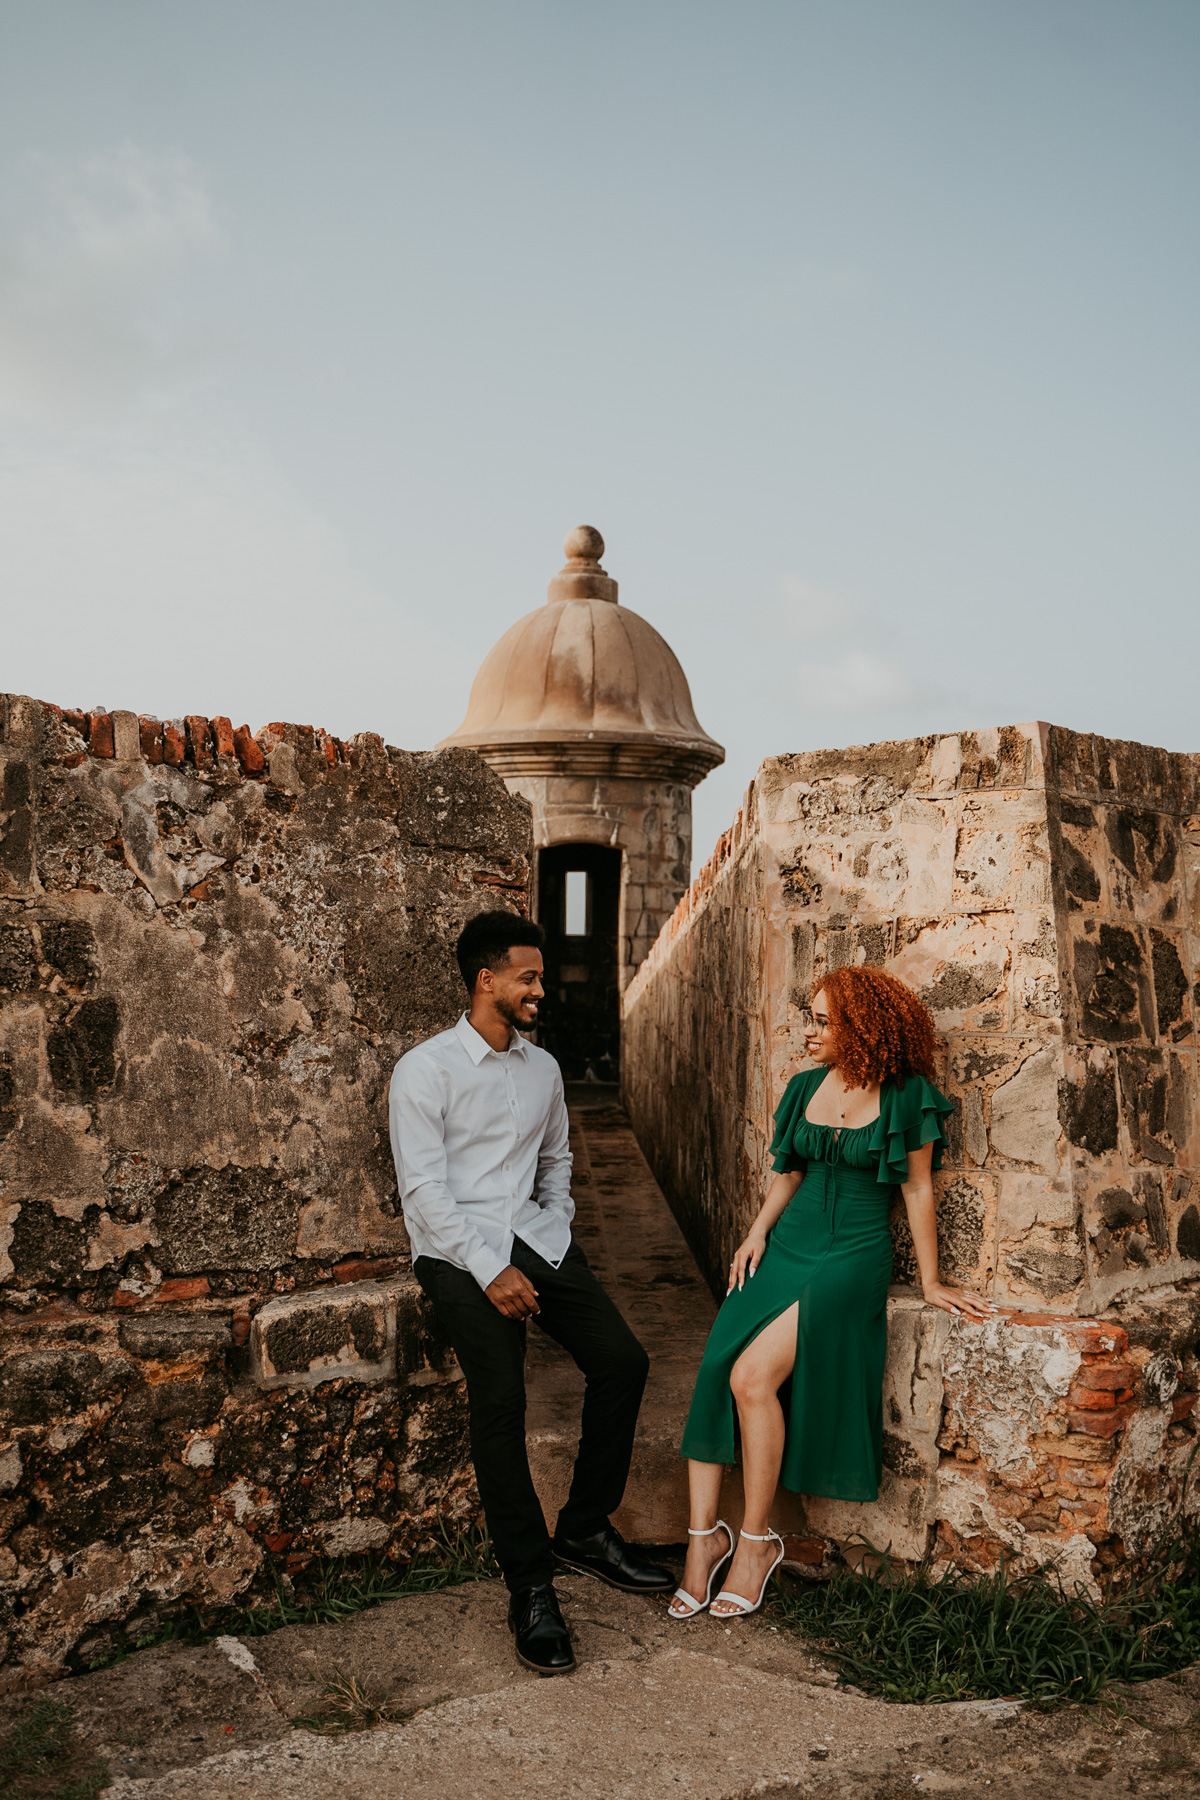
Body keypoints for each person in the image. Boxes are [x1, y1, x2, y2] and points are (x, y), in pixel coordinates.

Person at [389, 910, 673, 1676]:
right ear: (487, 981)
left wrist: (553, 1231)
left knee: (623, 1362)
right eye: (529, 977)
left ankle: (583, 1529)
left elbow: (556, 1164)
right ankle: (531, 1585)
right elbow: (424, 1194)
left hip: (535, 1239)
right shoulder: (425, 1070)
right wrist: (490, 1270)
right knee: (502, 1407)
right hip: (455, 1252)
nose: (541, 990)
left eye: (539, 978)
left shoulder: (542, 1070)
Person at [670, 967, 997, 1622]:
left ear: (863, 1027)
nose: (810, 1030)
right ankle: (703, 1540)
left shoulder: (909, 1096)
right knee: (714, 1372)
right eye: (810, 1017)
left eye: (823, 1020)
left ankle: (756, 1543)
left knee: (752, 1378)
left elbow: (917, 1191)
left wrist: (931, 1281)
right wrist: (754, 1235)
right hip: (787, 1247)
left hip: (851, 1255)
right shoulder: (802, 1088)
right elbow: (786, 1175)